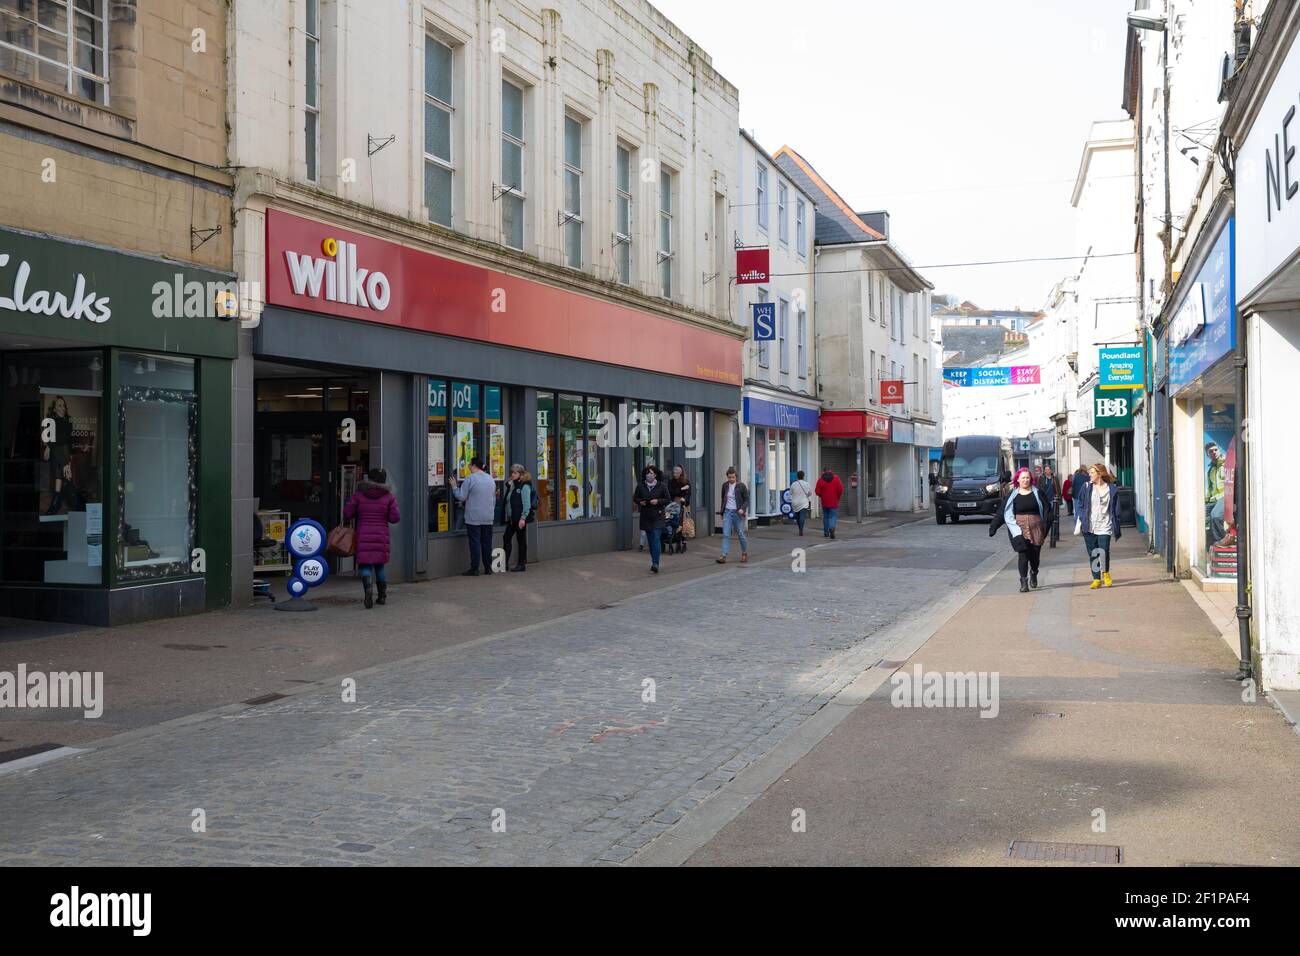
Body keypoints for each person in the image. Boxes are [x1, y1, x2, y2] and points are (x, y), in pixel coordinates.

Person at [343, 467, 401, 609]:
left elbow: (347, 513)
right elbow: (395, 518)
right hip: (381, 535)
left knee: (365, 565)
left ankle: (367, 590)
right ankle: (382, 596)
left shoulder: (359, 495)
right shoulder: (389, 497)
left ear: (370, 478)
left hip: (363, 534)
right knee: (379, 566)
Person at [991, 467, 1047, 592]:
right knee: (1023, 553)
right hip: (1018, 529)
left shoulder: (1038, 493)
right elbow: (1002, 511)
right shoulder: (1012, 494)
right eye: (1023, 478)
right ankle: (1023, 581)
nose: (1025, 480)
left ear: (1030, 479)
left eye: (1027, 477)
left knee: (1034, 556)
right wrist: (994, 526)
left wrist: (1046, 527)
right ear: (1018, 480)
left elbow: (1047, 510)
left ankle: (1034, 571)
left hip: (1036, 527)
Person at [1078, 462, 1121, 589]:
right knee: (1093, 553)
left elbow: (1116, 507)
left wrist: (1117, 520)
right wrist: (1081, 517)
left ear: (1100, 474)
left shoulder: (1111, 489)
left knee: (1103, 550)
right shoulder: (1086, 487)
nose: (1089, 475)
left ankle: (1105, 572)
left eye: (1092, 473)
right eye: (1089, 473)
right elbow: (1080, 504)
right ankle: (1096, 579)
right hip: (1089, 525)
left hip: (1105, 524)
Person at [450, 457, 496, 575]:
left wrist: (454, 486)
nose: (469, 467)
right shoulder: (490, 479)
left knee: (475, 542)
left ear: (474, 465)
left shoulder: (470, 479)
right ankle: (488, 567)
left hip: (474, 517)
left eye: (470, 465)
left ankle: (475, 568)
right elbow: (493, 499)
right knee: (487, 543)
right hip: (488, 516)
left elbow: (461, 496)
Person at [633, 464, 669, 573]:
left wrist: (658, 501)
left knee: (656, 539)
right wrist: (640, 502)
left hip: (657, 516)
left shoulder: (662, 486)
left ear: (656, 475)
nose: (650, 475)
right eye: (648, 473)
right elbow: (635, 498)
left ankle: (655, 563)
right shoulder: (640, 486)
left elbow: (668, 499)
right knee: (650, 541)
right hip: (646, 516)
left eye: (652, 473)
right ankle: (654, 560)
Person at [498, 463, 534, 572]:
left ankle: (521, 564)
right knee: (506, 537)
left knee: (521, 540)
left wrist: (523, 518)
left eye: (515, 473)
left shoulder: (524, 486)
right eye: (512, 472)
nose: (512, 475)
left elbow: (527, 504)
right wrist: (509, 486)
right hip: (512, 519)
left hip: (519, 519)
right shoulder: (513, 485)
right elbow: (509, 501)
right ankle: (505, 563)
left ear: (521, 474)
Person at [42, 395, 74, 515]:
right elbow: (52, 438)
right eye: (59, 405)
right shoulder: (52, 421)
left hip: (63, 453)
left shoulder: (68, 421)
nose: (62, 408)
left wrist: (68, 461)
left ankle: (57, 500)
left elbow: (66, 440)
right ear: (54, 409)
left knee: (60, 449)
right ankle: (58, 499)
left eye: (63, 405)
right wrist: (49, 446)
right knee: (57, 452)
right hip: (59, 454)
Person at [716, 466, 749, 564]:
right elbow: (723, 499)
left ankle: (744, 553)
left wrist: (742, 509)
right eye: (729, 477)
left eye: (733, 477)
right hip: (727, 512)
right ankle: (724, 555)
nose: (731, 479)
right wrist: (722, 512)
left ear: (736, 477)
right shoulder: (725, 486)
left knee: (740, 534)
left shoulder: (741, 486)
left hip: (738, 513)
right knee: (726, 534)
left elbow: (747, 499)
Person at [666, 464, 691, 553]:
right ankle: (676, 541)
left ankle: (683, 542)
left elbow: (688, 494)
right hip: (673, 504)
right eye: (674, 471)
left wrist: (685, 501)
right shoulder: (671, 482)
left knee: (683, 523)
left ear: (681, 472)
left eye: (677, 472)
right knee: (674, 522)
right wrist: (682, 489)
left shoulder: (686, 481)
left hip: (683, 505)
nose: (675, 473)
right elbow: (671, 492)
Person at [814, 467, 844, 539]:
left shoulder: (821, 480)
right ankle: (832, 528)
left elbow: (817, 491)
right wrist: (837, 497)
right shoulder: (836, 478)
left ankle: (826, 532)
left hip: (825, 501)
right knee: (833, 516)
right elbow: (840, 489)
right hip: (834, 501)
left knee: (826, 516)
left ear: (823, 472)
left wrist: (822, 495)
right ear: (831, 471)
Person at [789, 470, 813, 536]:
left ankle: (800, 528)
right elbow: (810, 493)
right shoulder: (807, 484)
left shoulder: (793, 484)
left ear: (797, 476)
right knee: (802, 516)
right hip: (803, 502)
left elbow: (790, 493)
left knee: (797, 517)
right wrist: (806, 495)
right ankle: (801, 530)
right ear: (803, 476)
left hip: (795, 503)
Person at [1039, 465, 1060, 539]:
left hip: (1053, 500)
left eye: (1048, 469)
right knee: (1046, 516)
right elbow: (1039, 488)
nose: (1047, 471)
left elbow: (1058, 488)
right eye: (1046, 469)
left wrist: (1059, 500)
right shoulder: (1041, 478)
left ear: (1051, 470)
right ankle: (1045, 529)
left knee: (1054, 516)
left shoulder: (1054, 478)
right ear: (1044, 471)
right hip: (1045, 500)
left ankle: (1055, 532)